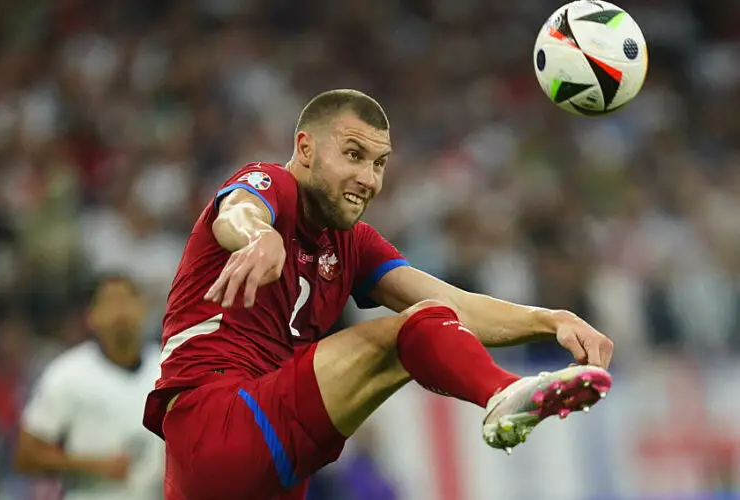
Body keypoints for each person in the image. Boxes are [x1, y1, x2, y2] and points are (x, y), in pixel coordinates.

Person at [143, 89, 614, 500]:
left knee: (432, 317)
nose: (369, 179)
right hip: (216, 421)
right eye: (353, 155)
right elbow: (237, 212)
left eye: (379, 163)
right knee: (405, 333)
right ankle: (503, 394)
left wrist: (551, 320)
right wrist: (258, 236)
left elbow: (459, 308)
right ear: (305, 148)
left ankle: (504, 393)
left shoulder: (354, 244)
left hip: (270, 467)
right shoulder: (274, 186)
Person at [15, 274, 165, 500]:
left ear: (143, 308)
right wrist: (93, 465)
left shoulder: (166, 366)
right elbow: (26, 456)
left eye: (128, 299)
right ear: (91, 316)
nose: (121, 310)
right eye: (111, 301)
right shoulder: (67, 374)